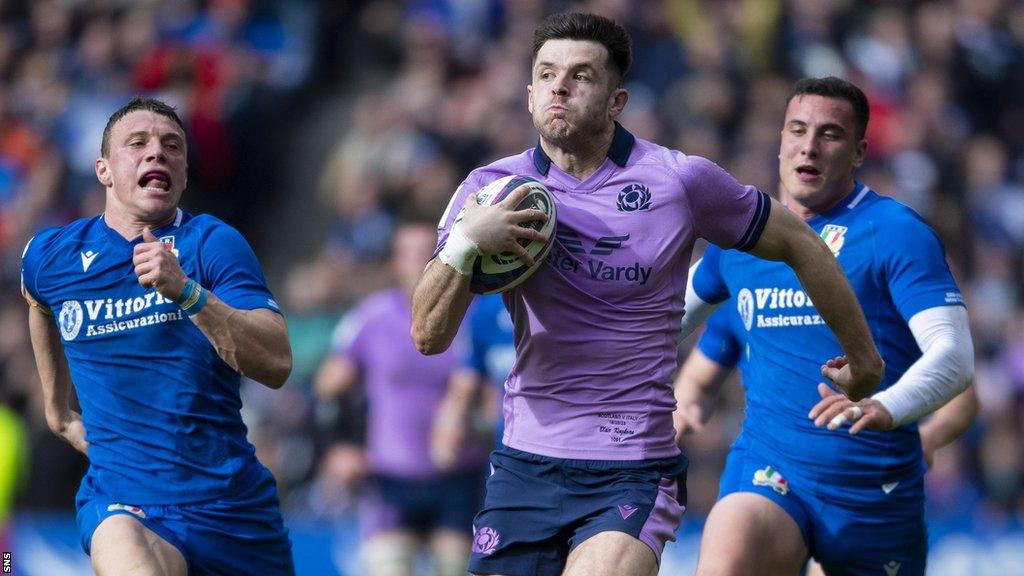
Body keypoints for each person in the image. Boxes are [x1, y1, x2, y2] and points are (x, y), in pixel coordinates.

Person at [410, 13, 884, 576]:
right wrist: (466, 243)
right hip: (524, 463)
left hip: (630, 469)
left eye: (581, 75)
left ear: (616, 100)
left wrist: (865, 358)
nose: (560, 86)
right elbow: (428, 335)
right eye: (547, 73)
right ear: (530, 93)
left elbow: (802, 244)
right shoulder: (488, 191)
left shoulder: (679, 181)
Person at [674, 77, 975, 576]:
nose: (809, 145)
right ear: (780, 142)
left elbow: (955, 358)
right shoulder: (741, 239)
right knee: (729, 552)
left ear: (858, 152)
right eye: (797, 130)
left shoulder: (897, 233)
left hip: (873, 496)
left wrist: (884, 406)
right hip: (772, 470)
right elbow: (655, 323)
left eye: (829, 134)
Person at [22, 97, 294, 575]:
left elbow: (276, 362)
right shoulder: (53, 255)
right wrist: (57, 410)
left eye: (172, 146)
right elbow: (36, 300)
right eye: (138, 143)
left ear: (184, 175)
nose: (157, 153)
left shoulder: (213, 243)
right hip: (123, 501)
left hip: (232, 509)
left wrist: (187, 292)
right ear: (104, 170)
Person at [673, 305, 979, 576]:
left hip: (863, 484)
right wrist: (678, 417)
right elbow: (697, 378)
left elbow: (961, 393)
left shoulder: (873, 288)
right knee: (732, 543)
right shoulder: (746, 287)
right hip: (772, 472)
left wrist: (927, 437)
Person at [315, 218, 488, 576]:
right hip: (391, 478)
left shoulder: (476, 317)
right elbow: (329, 388)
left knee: (455, 568)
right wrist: (338, 446)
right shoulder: (369, 318)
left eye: (428, 253)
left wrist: (478, 424)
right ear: (395, 262)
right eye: (408, 254)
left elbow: (499, 392)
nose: (418, 263)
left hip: (459, 476)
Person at [431, 293, 513, 471]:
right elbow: (468, 375)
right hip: (510, 452)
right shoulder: (488, 307)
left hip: (573, 451)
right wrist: (449, 423)